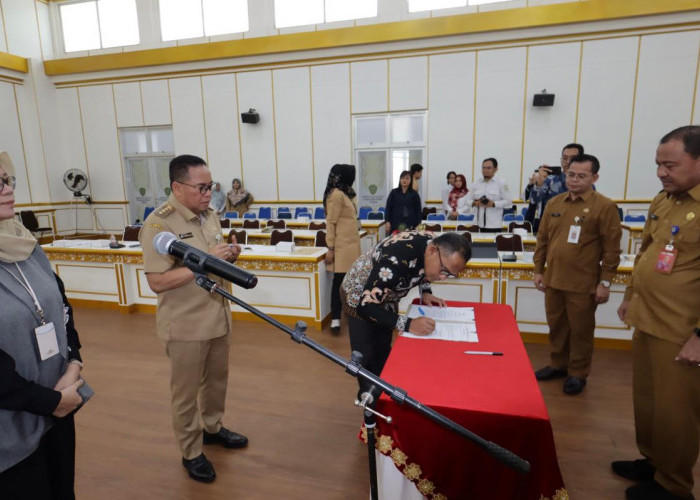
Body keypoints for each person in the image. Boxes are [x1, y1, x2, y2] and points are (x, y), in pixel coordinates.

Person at [140, 154, 248, 484]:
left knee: (216, 382)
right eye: (202, 187)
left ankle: (212, 428)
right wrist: (203, 263)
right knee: (185, 393)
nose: (208, 193)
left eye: (210, 186)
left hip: (217, 316)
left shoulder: (210, 216)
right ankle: (191, 451)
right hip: (186, 324)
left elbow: (213, 256)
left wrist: (229, 254)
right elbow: (157, 282)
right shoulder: (160, 225)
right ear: (177, 186)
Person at [613, 126, 700, 500]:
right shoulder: (664, 200)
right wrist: (631, 294)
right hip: (647, 318)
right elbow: (646, 254)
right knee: (648, 404)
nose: (662, 172)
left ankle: (674, 486)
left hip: (681, 331)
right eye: (658, 164)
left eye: (671, 164)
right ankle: (653, 462)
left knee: (676, 413)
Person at [0, 151, 86, 499]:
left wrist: (74, 365)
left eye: (7, 180)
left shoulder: (27, 245)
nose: (7, 189)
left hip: (58, 402)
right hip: (13, 422)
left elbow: (60, 308)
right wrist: (47, 400)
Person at [532, 153, 622, 396]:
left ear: (595, 177)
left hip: (583, 284)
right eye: (571, 175)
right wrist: (539, 270)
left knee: (581, 331)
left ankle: (578, 373)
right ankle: (558, 365)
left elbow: (612, 250)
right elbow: (543, 240)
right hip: (554, 280)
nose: (574, 180)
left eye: (582, 176)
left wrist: (605, 283)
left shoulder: (604, 207)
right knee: (557, 326)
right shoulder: (555, 203)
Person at [341, 231, 471, 397]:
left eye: (450, 275)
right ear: (432, 251)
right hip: (358, 296)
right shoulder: (395, 260)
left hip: (385, 295)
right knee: (367, 357)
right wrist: (409, 324)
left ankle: (384, 394)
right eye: (444, 271)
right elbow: (366, 307)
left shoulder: (434, 245)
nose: (442, 277)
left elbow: (422, 268)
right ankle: (370, 405)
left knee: (383, 350)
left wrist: (425, 291)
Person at [323, 164, 362, 335]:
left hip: (353, 244)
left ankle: (351, 312)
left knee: (352, 281)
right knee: (338, 283)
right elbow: (331, 223)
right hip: (341, 247)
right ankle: (335, 319)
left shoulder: (348, 193)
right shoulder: (337, 195)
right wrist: (330, 247)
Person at [527, 143, 585, 228]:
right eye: (565, 158)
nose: (568, 162)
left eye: (573, 158)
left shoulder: (586, 183)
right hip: (551, 227)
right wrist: (539, 184)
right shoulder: (550, 180)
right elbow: (533, 201)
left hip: (576, 226)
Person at [459, 158, 512, 232]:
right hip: (477, 224)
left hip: (494, 225)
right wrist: (474, 203)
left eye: (489, 168)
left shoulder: (501, 183)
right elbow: (466, 200)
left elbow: (508, 201)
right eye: (483, 168)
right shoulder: (476, 183)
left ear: (496, 169)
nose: (485, 170)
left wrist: (493, 204)